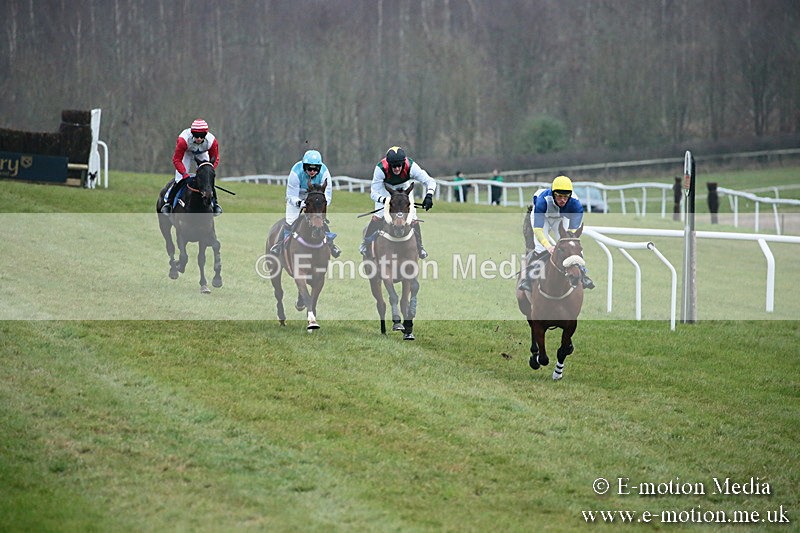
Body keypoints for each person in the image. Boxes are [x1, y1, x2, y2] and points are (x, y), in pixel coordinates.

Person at [518, 175, 594, 291]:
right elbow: (538, 230)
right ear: (553, 194)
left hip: (560, 218)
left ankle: (583, 275)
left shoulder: (575, 204)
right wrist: (548, 246)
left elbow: (572, 233)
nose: (563, 200)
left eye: (566, 196)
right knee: (539, 248)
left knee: (572, 247)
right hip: (542, 218)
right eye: (559, 196)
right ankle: (528, 279)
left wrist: (567, 241)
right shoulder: (542, 201)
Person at [359, 146, 436, 259]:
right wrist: (385, 200)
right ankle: (365, 244)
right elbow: (373, 193)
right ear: (388, 164)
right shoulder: (380, 169)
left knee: (413, 218)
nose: (396, 169)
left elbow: (430, 181)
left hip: (405, 189)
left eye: (399, 165)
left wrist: (429, 195)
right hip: (386, 190)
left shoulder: (411, 166)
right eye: (393, 166)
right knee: (378, 217)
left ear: (403, 163)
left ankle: (420, 247)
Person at [269, 149, 341, 258]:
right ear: (304, 166)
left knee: (320, 220)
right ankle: (279, 245)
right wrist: (300, 203)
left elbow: (327, 196)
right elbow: (290, 195)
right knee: (290, 220)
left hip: (316, 198)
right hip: (297, 196)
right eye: (309, 168)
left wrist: (318, 205)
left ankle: (331, 245)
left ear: (319, 167)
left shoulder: (325, 173)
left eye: (315, 168)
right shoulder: (295, 172)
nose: (312, 171)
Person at [161, 118, 222, 215]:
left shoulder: (212, 141)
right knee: (179, 179)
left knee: (207, 180)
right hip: (186, 153)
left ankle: (215, 204)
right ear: (192, 133)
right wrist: (185, 174)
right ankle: (168, 203)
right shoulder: (183, 140)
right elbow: (176, 160)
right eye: (196, 135)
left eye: (202, 136)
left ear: (206, 135)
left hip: (202, 153)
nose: (198, 138)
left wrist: (207, 172)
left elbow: (215, 158)